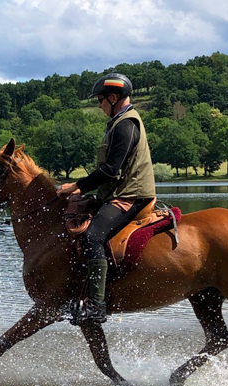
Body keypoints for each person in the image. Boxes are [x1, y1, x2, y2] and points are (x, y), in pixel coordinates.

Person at [56, 72, 157, 324]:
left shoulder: (125, 125)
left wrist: (77, 186)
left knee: (93, 236)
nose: (99, 105)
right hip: (118, 192)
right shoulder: (118, 122)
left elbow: (111, 170)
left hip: (130, 196)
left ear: (113, 97)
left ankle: (97, 307)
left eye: (101, 100)